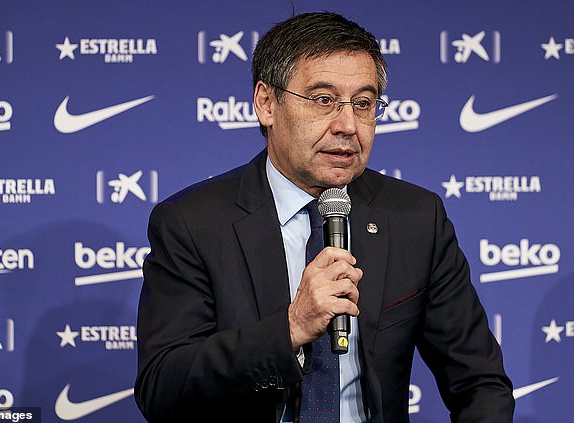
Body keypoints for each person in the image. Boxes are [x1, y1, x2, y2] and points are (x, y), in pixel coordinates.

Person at [134, 11, 514, 423]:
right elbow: (162, 388)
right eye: (323, 100)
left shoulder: (416, 218)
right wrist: (290, 329)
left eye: (363, 104)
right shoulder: (192, 223)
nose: (348, 125)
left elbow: (480, 383)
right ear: (266, 104)